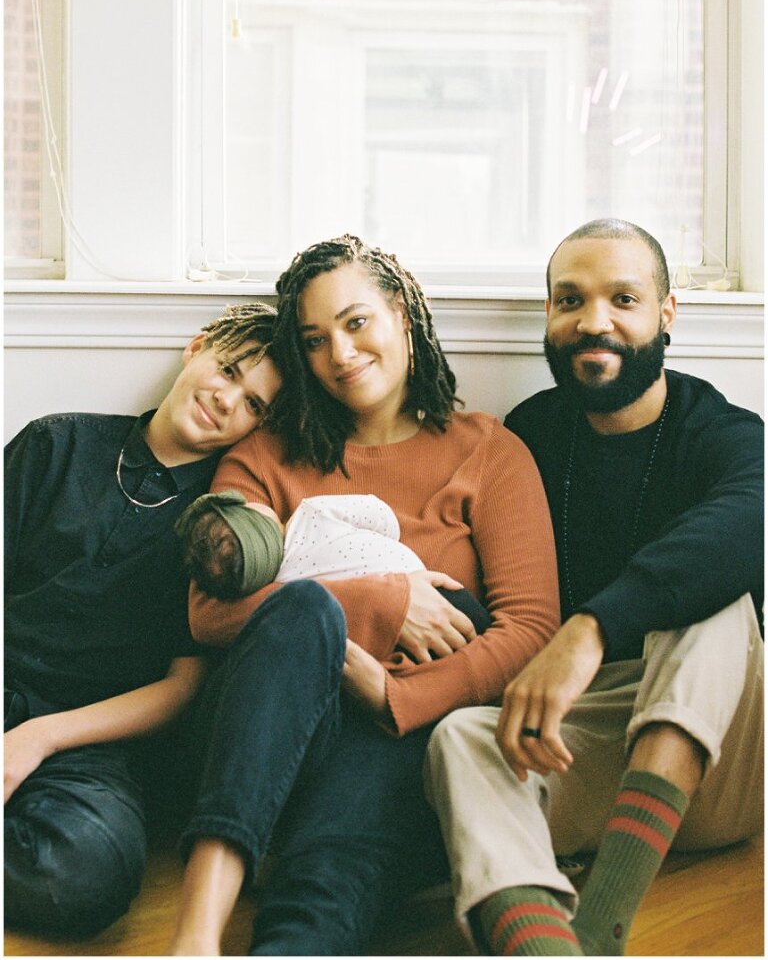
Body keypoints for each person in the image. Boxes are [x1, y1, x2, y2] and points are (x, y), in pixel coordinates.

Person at [169, 233, 560, 956]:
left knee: (325, 888)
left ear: (404, 316)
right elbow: (210, 612)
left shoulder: (489, 451)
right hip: (251, 743)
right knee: (304, 606)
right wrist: (379, 603)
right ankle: (195, 934)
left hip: (400, 742)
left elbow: (533, 629)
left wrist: (393, 694)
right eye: (314, 340)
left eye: (355, 323)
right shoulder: (262, 455)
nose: (339, 355)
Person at [424, 219, 764, 956]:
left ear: (666, 314)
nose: (593, 321)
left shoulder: (726, 433)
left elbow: (750, 527)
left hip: (724, 760)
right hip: (585, 749)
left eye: (623, 298)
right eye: (569, 300)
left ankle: (605, 912)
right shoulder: (529, 435)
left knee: (715, 603)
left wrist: (589, 629)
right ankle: (547, 946)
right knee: (458, 739)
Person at [4, 303, 281, 938]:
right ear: (197, 348)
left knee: (86, 874)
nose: (227, 398)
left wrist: (38, 738)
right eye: (229, 369)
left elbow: (181, 689)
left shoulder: (217, 528)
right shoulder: (57, 443)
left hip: (89, 748)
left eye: (255, 405)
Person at [175, 490, 491, 637]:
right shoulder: (311, 513)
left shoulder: (285, 588)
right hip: (437, 593)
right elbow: (380, 515)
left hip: (384, 644)